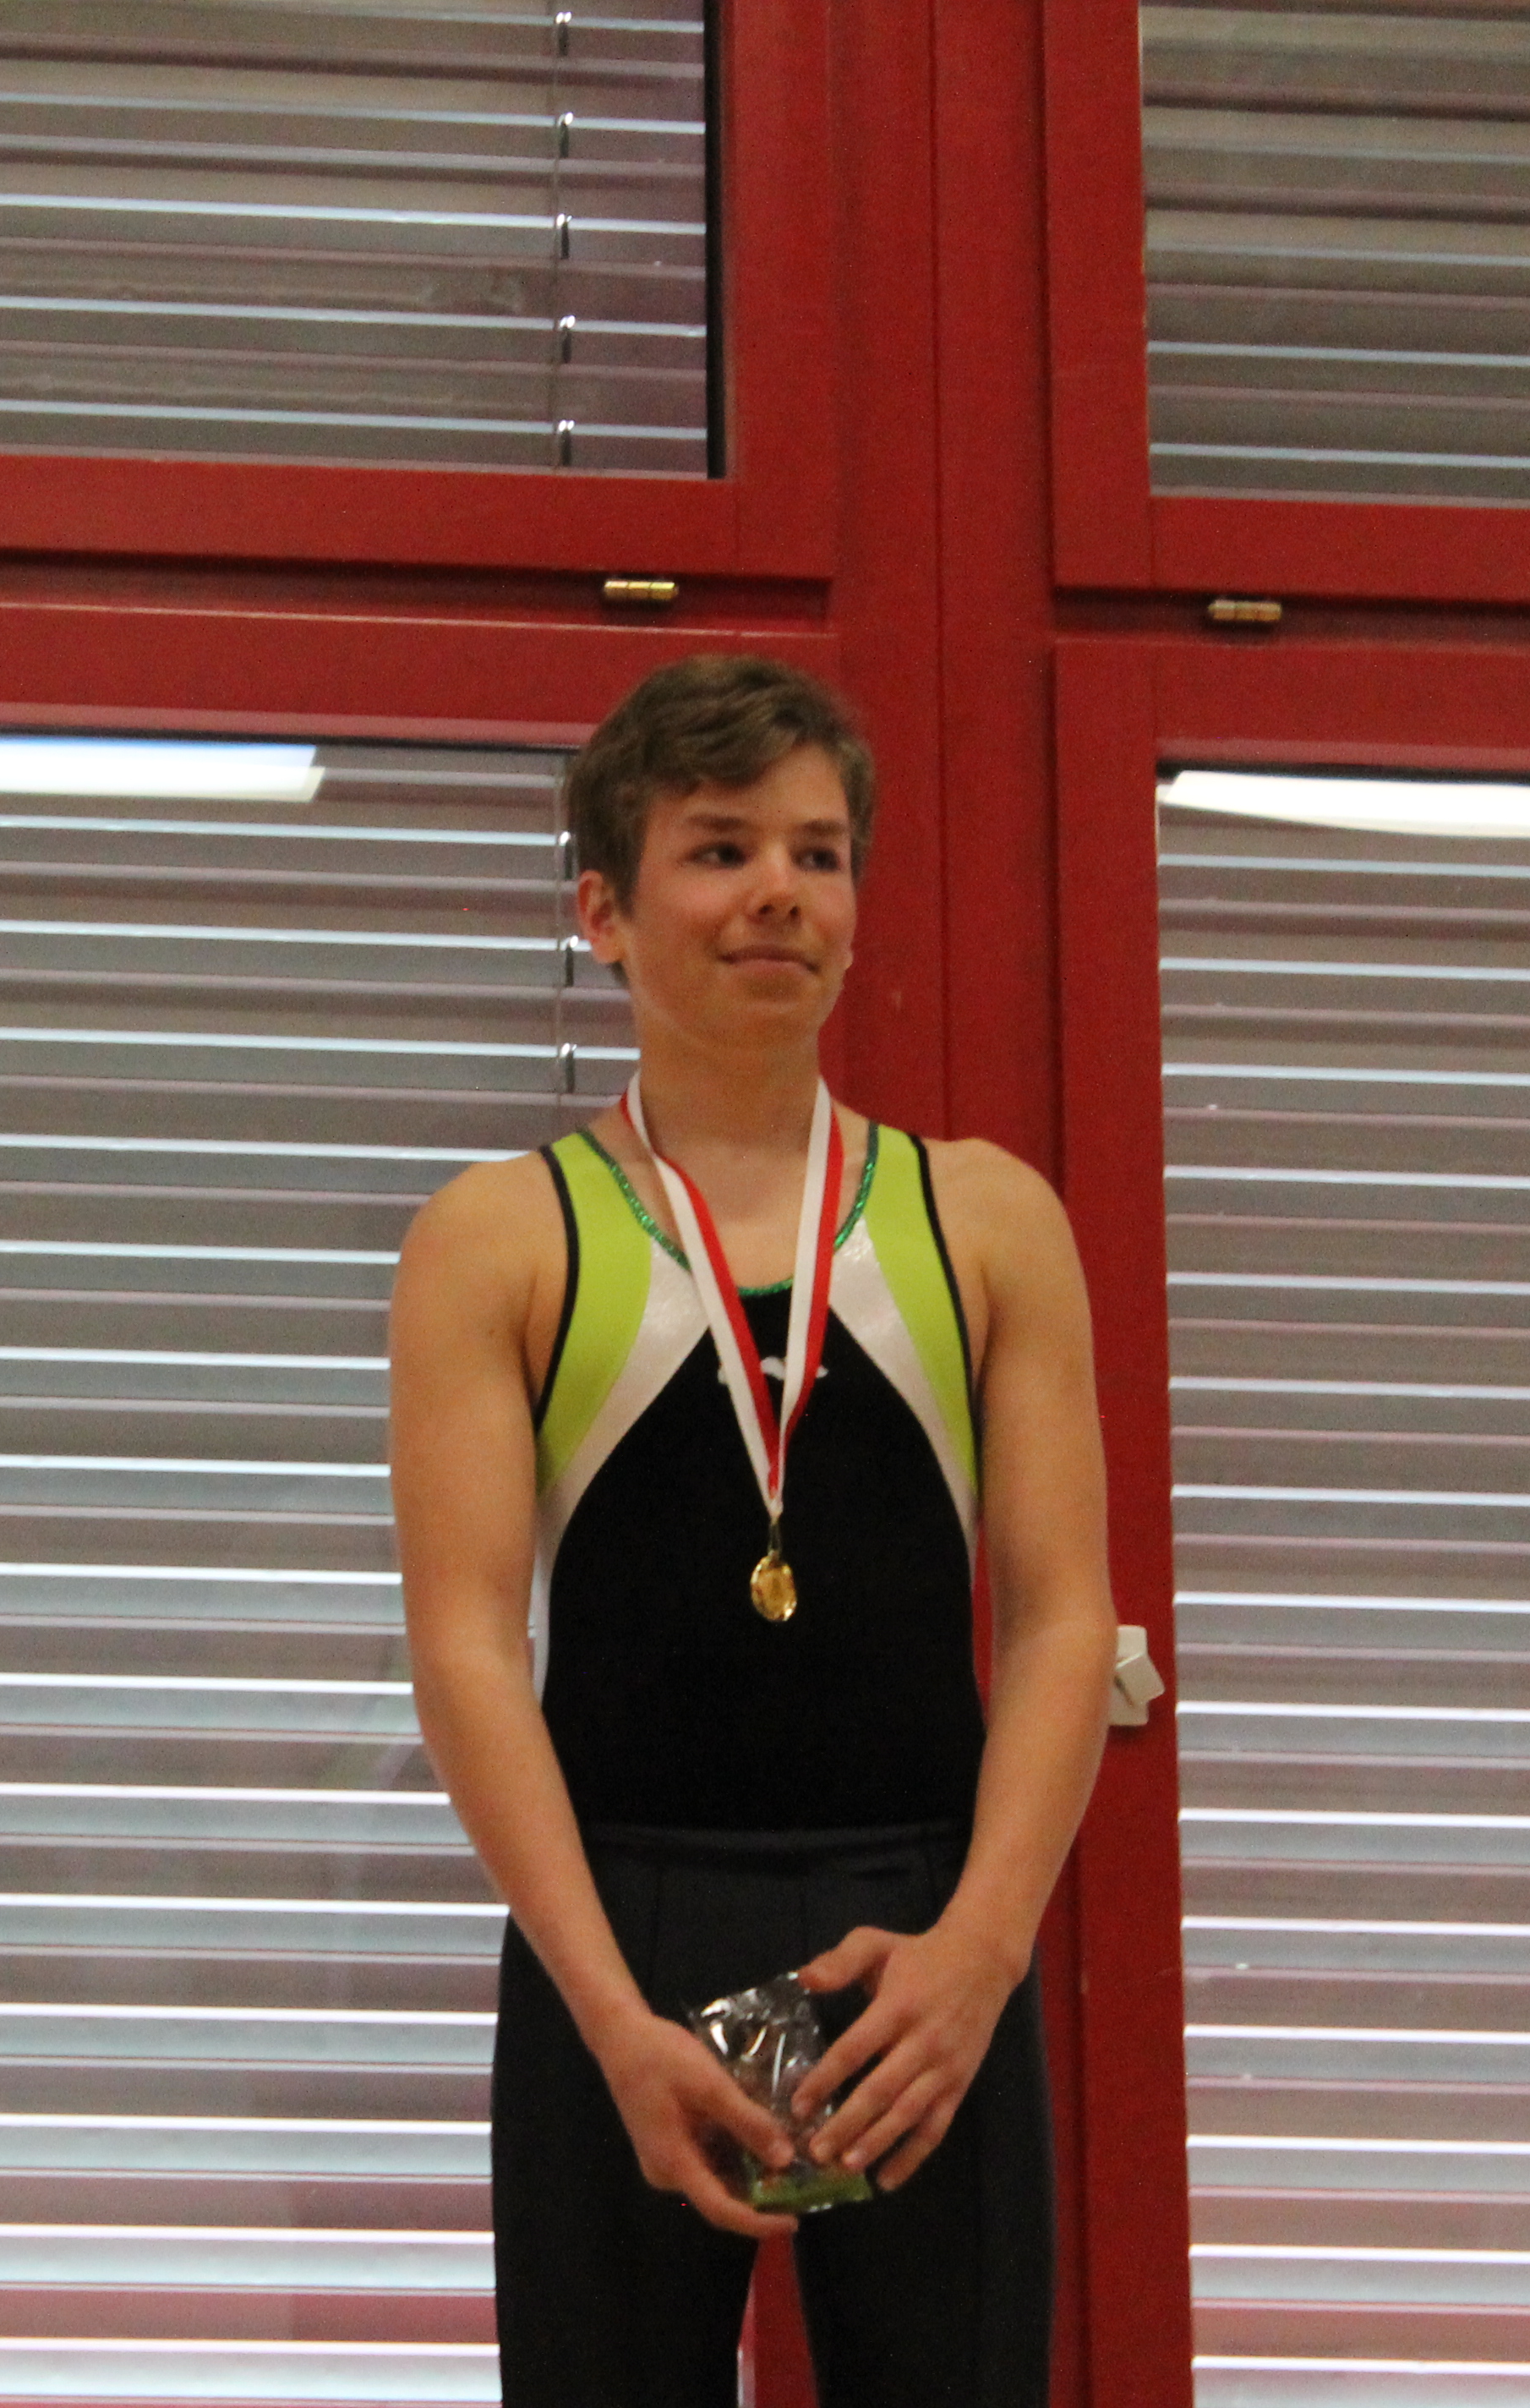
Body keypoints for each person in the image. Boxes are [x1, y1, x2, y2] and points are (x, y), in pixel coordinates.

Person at [386, 655, 1118, 2404]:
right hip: (619, 1929)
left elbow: (1061, 1617)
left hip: (917, 1933)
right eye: (720, 849)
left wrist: (984, 1949)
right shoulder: (499, 1238)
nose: (780, 889)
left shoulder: (986, 1218)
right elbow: (468, 1648)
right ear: (603, 911)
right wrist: (604, 2010)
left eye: (818, 852)